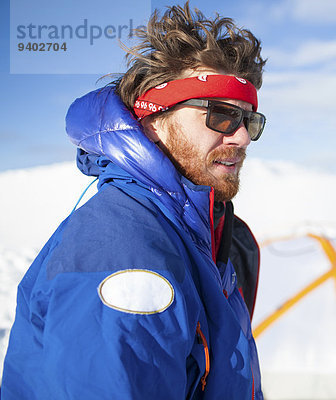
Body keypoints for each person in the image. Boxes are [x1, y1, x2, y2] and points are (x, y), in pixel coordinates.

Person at [1, 3, 266, 399]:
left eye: (250, 120)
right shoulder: (125, 249)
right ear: (153, 122)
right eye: (222, 115)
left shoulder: (195, 229)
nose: (242, 136)